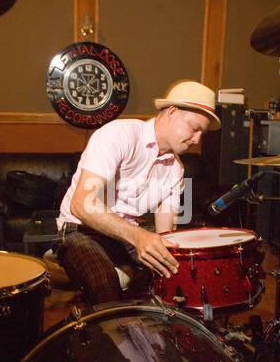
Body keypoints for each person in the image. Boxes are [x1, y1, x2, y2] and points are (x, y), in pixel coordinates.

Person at [56, 80, 221, 305]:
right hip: (81, 229)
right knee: (106, 287)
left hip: (125, 235)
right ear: (172, 112)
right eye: (195, 129)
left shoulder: (176, 170)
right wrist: (138, 236)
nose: (197, 140)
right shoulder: (118, 135)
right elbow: (82, 204)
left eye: (203, 133)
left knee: (176, 274)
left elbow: (165, 234)